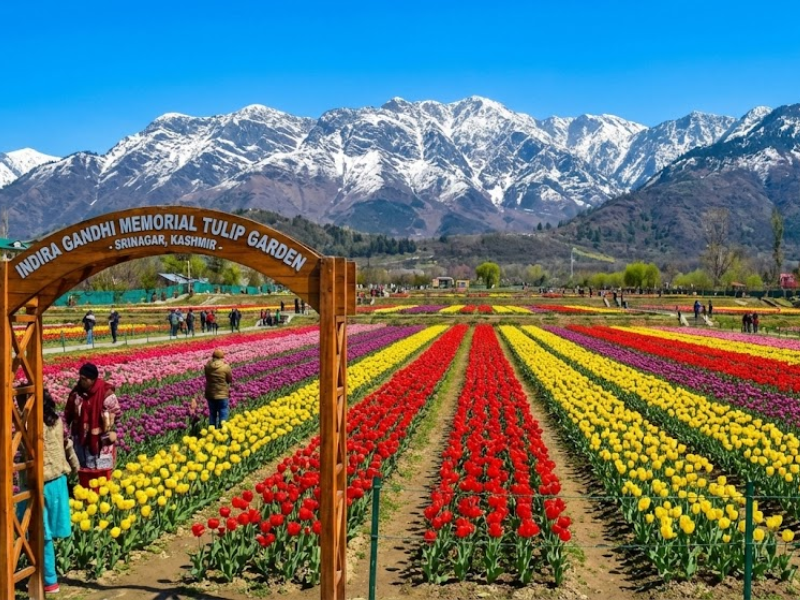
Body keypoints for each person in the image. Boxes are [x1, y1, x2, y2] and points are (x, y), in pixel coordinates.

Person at [41, 389, 80, 594]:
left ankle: (49, 581)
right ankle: (49, 579)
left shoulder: (29, 425)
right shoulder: (56, 422)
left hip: (41, 482)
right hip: (59, 480)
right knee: (46, 533)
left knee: (40, 533)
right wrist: (75, 466)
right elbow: (67, 445)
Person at [64, 363, 120, 470]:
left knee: (101, 470)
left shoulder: (105, 392)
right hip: (79, 436)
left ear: (93, 379)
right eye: (80, 377)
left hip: (100, 439)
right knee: (82, 468)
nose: (81, 380)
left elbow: (116, 413)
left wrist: (111, 429)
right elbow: (68, 413)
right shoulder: (76, 392)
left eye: (84, 378)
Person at [204, 349, 232, 428]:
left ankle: (212, 431)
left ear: (213, 356)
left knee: (212, 413)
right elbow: (229, 380)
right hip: (222, 393)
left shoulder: (207, 366)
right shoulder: (226, 367)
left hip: (210, 393)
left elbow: (207, 378)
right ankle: (222, 431)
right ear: (222, 357)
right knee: (223, 411)